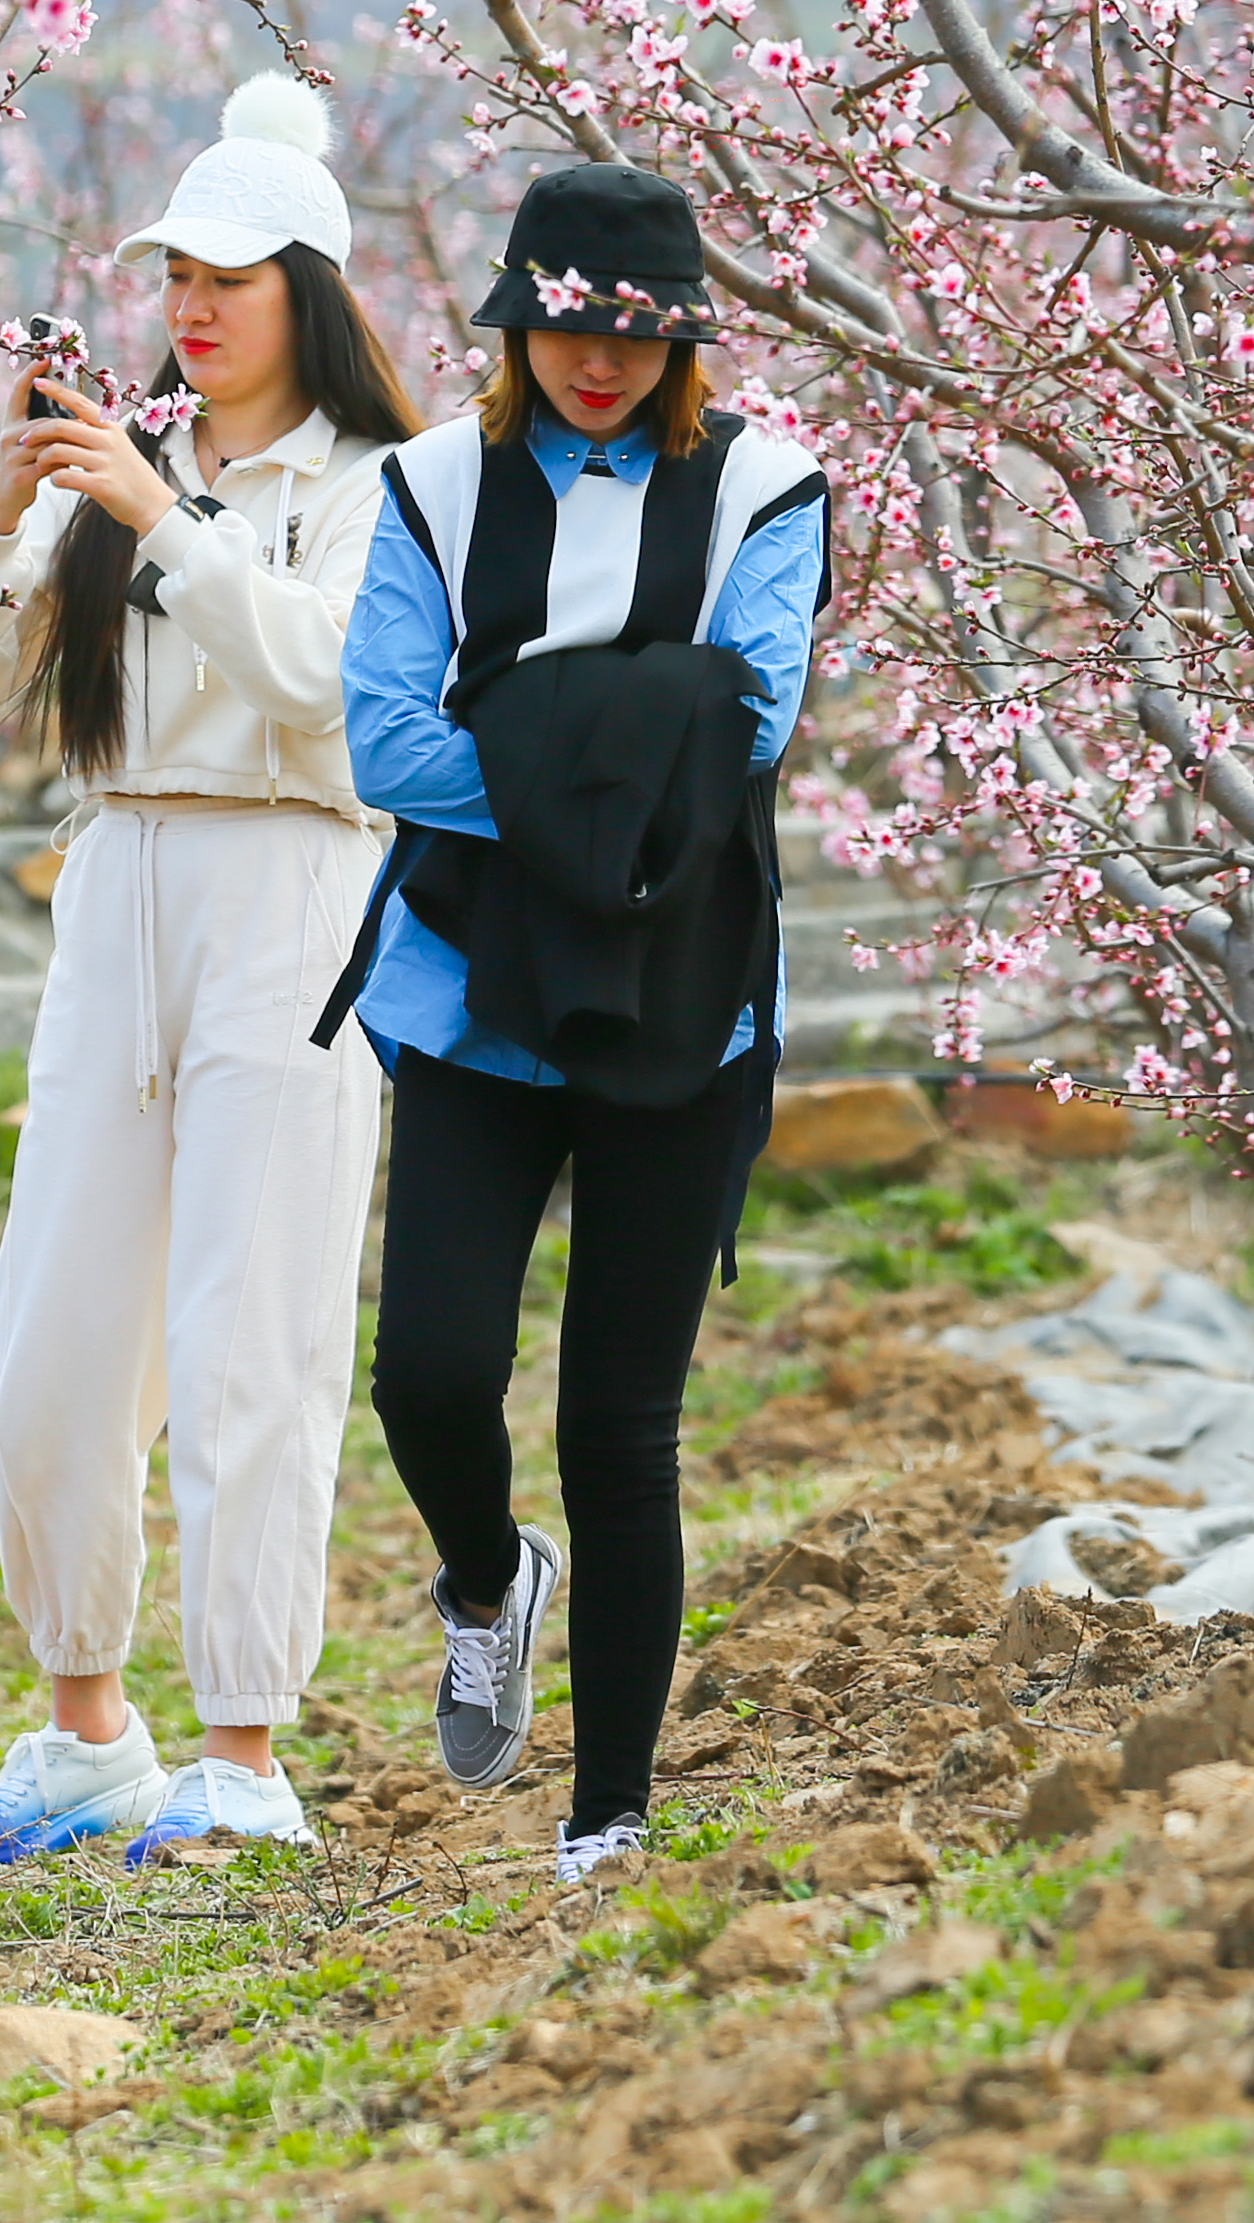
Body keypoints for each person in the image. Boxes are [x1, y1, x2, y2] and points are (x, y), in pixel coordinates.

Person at [0, 73, 421, 1868]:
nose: (191, 307)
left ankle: (244, 1756)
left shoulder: (386, 485)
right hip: (119, 882)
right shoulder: (125, 470)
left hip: (294, 887)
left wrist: (161, 523)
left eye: (233, 278)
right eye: (175, 273)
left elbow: (327, 679)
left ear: (313, 299)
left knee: (250, 1328)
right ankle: (84, 1729)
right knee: (55, 1324)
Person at [325, 162, 828, 1884]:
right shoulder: (433, 484)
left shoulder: (767, 487)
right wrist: (643, 733)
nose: (592, 366)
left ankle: (606, 1811)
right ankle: (482, 1578)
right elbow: (383, 747)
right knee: (429, 1372)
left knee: (619, 1421)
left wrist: (533, 722)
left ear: (681, 340)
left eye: (629, 337)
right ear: (517, 321)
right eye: (560, 329)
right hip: (471, 981)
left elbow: (751, 740)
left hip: (684, 994)